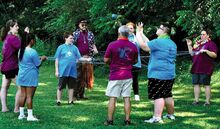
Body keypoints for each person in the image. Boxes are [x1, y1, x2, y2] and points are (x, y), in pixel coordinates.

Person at [136, 22, 177, 123]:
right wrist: (141, 33)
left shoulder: (159, 42)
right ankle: (170, 115)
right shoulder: (170, 42)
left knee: (158, 95)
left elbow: (143, 45)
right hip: (169, 74)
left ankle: (157, 117)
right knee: (167, 94)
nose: (157, 28)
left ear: (163, 30)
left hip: (158, 74)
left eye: (159, 27)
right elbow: (149, 43)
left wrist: (137, 31)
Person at [104, 25, 138, 126]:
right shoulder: (133, 46)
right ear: (128, 34)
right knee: (127, 98)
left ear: (119, 33)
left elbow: (106, 59)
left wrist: (112, 63)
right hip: (127, 74)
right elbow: (135, 60)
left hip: (115, 75)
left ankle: (110, 120)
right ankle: (127, 120)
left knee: (112, 98)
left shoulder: (112, 44)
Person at [17, 32, 47, 121]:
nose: (34, 42)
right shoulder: (32, 51)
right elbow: (37, 64)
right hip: (30, 76)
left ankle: (21, 115)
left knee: (23, 95)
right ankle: (30, 116)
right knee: (29, 96)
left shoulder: (20, 50)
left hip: (22, 75)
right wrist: (42, 59)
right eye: (34, 40)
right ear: (31, 41)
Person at [186, 30, 217, 106]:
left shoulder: (211, 44)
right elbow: (192, 53)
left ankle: (207, 102)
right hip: (196, 67)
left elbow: (214, 55)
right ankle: (196, 101)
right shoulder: (198, 44)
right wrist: (189, 45)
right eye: (201, 34)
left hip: (205, 68)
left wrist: (206, 51)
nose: (202, 36)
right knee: (196, 84)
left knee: (206, 84)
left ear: (208, 35)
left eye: (204, 34)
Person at [73, 18, 98, 99]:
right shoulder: (75, 34)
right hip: (78, 58)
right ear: (78, 25)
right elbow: (72, 45)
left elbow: (93, 44)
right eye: (82, 24)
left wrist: (95, 49)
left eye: (85, 24)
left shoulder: (90, 34)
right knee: (77, 76)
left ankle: (81, 94)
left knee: (85, 77)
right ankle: (74, 94)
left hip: (88, 57)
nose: (84, 25)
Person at [0, 19, 21, 113]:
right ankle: (16, 109)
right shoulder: (12, 38)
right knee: (21, 87)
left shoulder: (6, 37)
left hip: (5, 67)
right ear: (10, 27)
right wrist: (25, 35)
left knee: (4, 86)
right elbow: (23, 46)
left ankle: (4, 108)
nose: (18, 27)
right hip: (11, 67)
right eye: (16, 26)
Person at [55, 32, 81, 105]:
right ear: (66, 38)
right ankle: (58, 100)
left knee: (71, 87)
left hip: (72, 71)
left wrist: (83, 59)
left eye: (73, 38)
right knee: (60, 86)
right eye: (70, 38)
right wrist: (57, 71)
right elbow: (57, 59)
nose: (72, 40)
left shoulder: (75, 48)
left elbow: (79, 58)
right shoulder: (61, 47)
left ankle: (70, 101)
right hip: (63, 70)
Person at [126, 22, 141, 101]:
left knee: (135, 79)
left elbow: (140, 46)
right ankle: (126, 95)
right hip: (126, 62)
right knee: (125, 79)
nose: (130, 29)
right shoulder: (123, 38)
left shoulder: (137, 38)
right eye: (128, 28)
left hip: (136, 61)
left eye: (131, 28)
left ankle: (136, 95)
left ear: (134, 29)